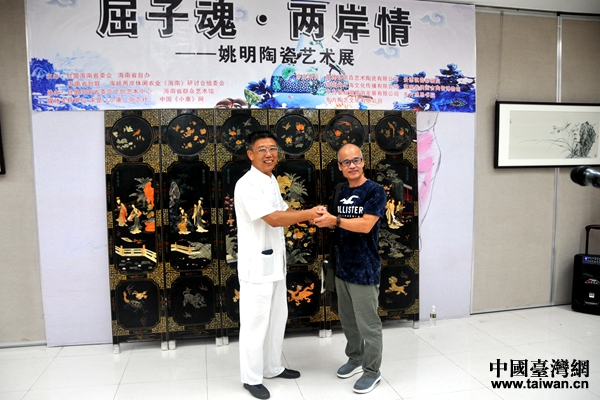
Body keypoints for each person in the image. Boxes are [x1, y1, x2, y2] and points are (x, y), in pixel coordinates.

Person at [234, 130, 321, 400]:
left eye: (272, 149)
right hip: (256, 266)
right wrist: (308, 213)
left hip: (274, 264)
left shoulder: (270, 179)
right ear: (250, 154)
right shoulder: (247, 184)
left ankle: (272, 367)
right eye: (262, 149)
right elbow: (273, 219)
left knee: (276, 318)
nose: (269, 154)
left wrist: (309, 216)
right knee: (255, 323)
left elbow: (283, 211)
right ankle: (251, 377)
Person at [314, 143, 387, 394]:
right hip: (341, 267)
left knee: (368, 324)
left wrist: (335, 220)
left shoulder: (375, 190)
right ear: (340, 166)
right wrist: (322, 217)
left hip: (364, 268)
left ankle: (372, 371)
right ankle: (355, 358)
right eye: (346, 162)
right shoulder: (340, 190)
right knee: (347, 320)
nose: (352, 165)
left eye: (356, 160)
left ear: (363, 162)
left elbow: (366, 225)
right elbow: (335, 224)